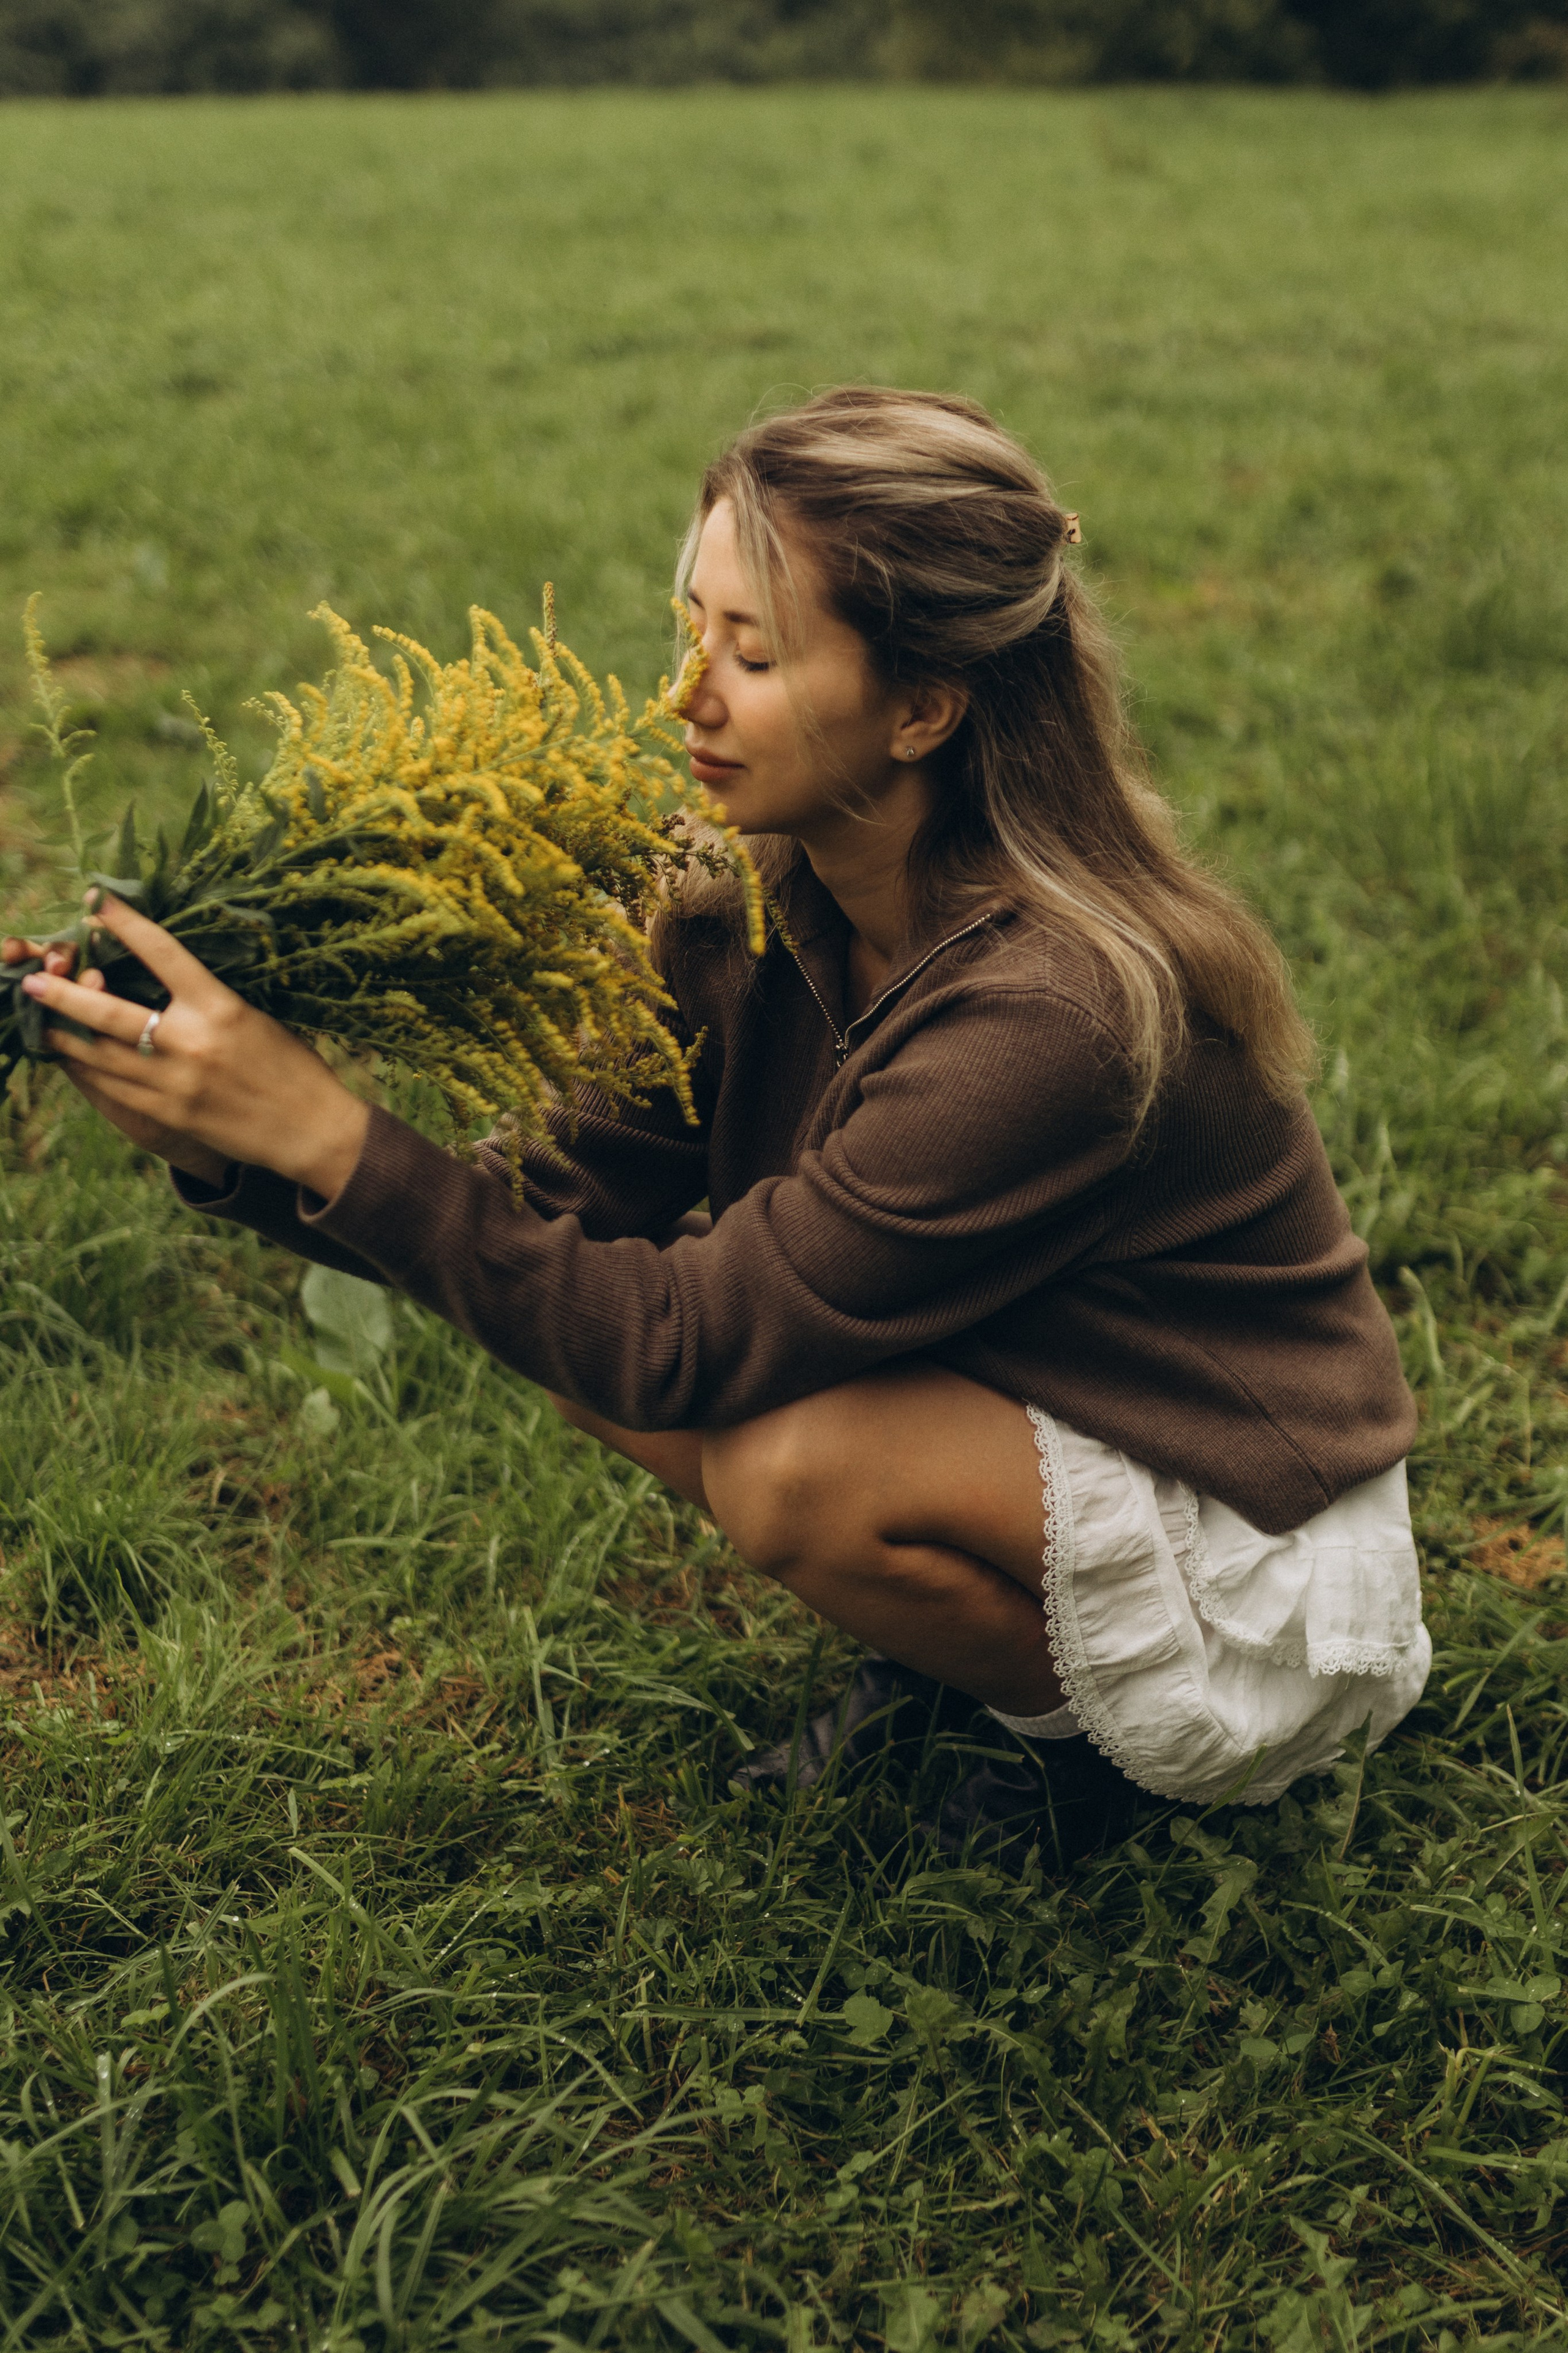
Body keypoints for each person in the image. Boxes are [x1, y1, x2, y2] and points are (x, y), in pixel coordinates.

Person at [7, 387, 1429, 1868]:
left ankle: (1081, 1750)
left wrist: (329, 1133)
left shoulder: (1050, 1013)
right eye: (689, 627)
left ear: (923, 706)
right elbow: (545, 1218)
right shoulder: (745, 898)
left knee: (775, 1455)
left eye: (751, 653)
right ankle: (981, 1652)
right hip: (1021, 1392)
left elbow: (675, 1340)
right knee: (576, 1327)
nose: (685, 691)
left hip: (1245, 1532)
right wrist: (223, 1135)